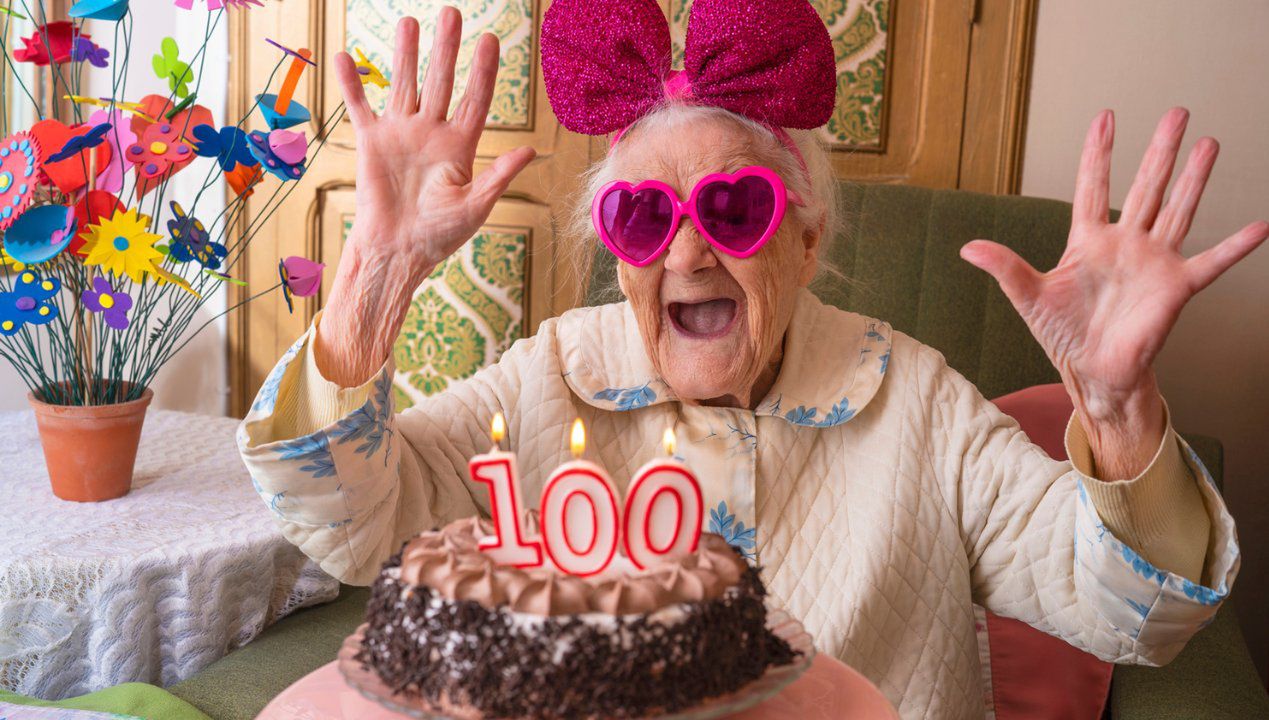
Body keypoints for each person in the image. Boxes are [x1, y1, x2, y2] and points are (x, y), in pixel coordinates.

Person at [238, 1, 1261, 716]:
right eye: (644, 217)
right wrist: (373, 275)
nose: (686, 251)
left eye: (733, 207)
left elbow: (1136, 611)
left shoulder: (917, 401)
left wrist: (1120, 409)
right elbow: (355, 528)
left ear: (807, 238)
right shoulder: (553, 371)